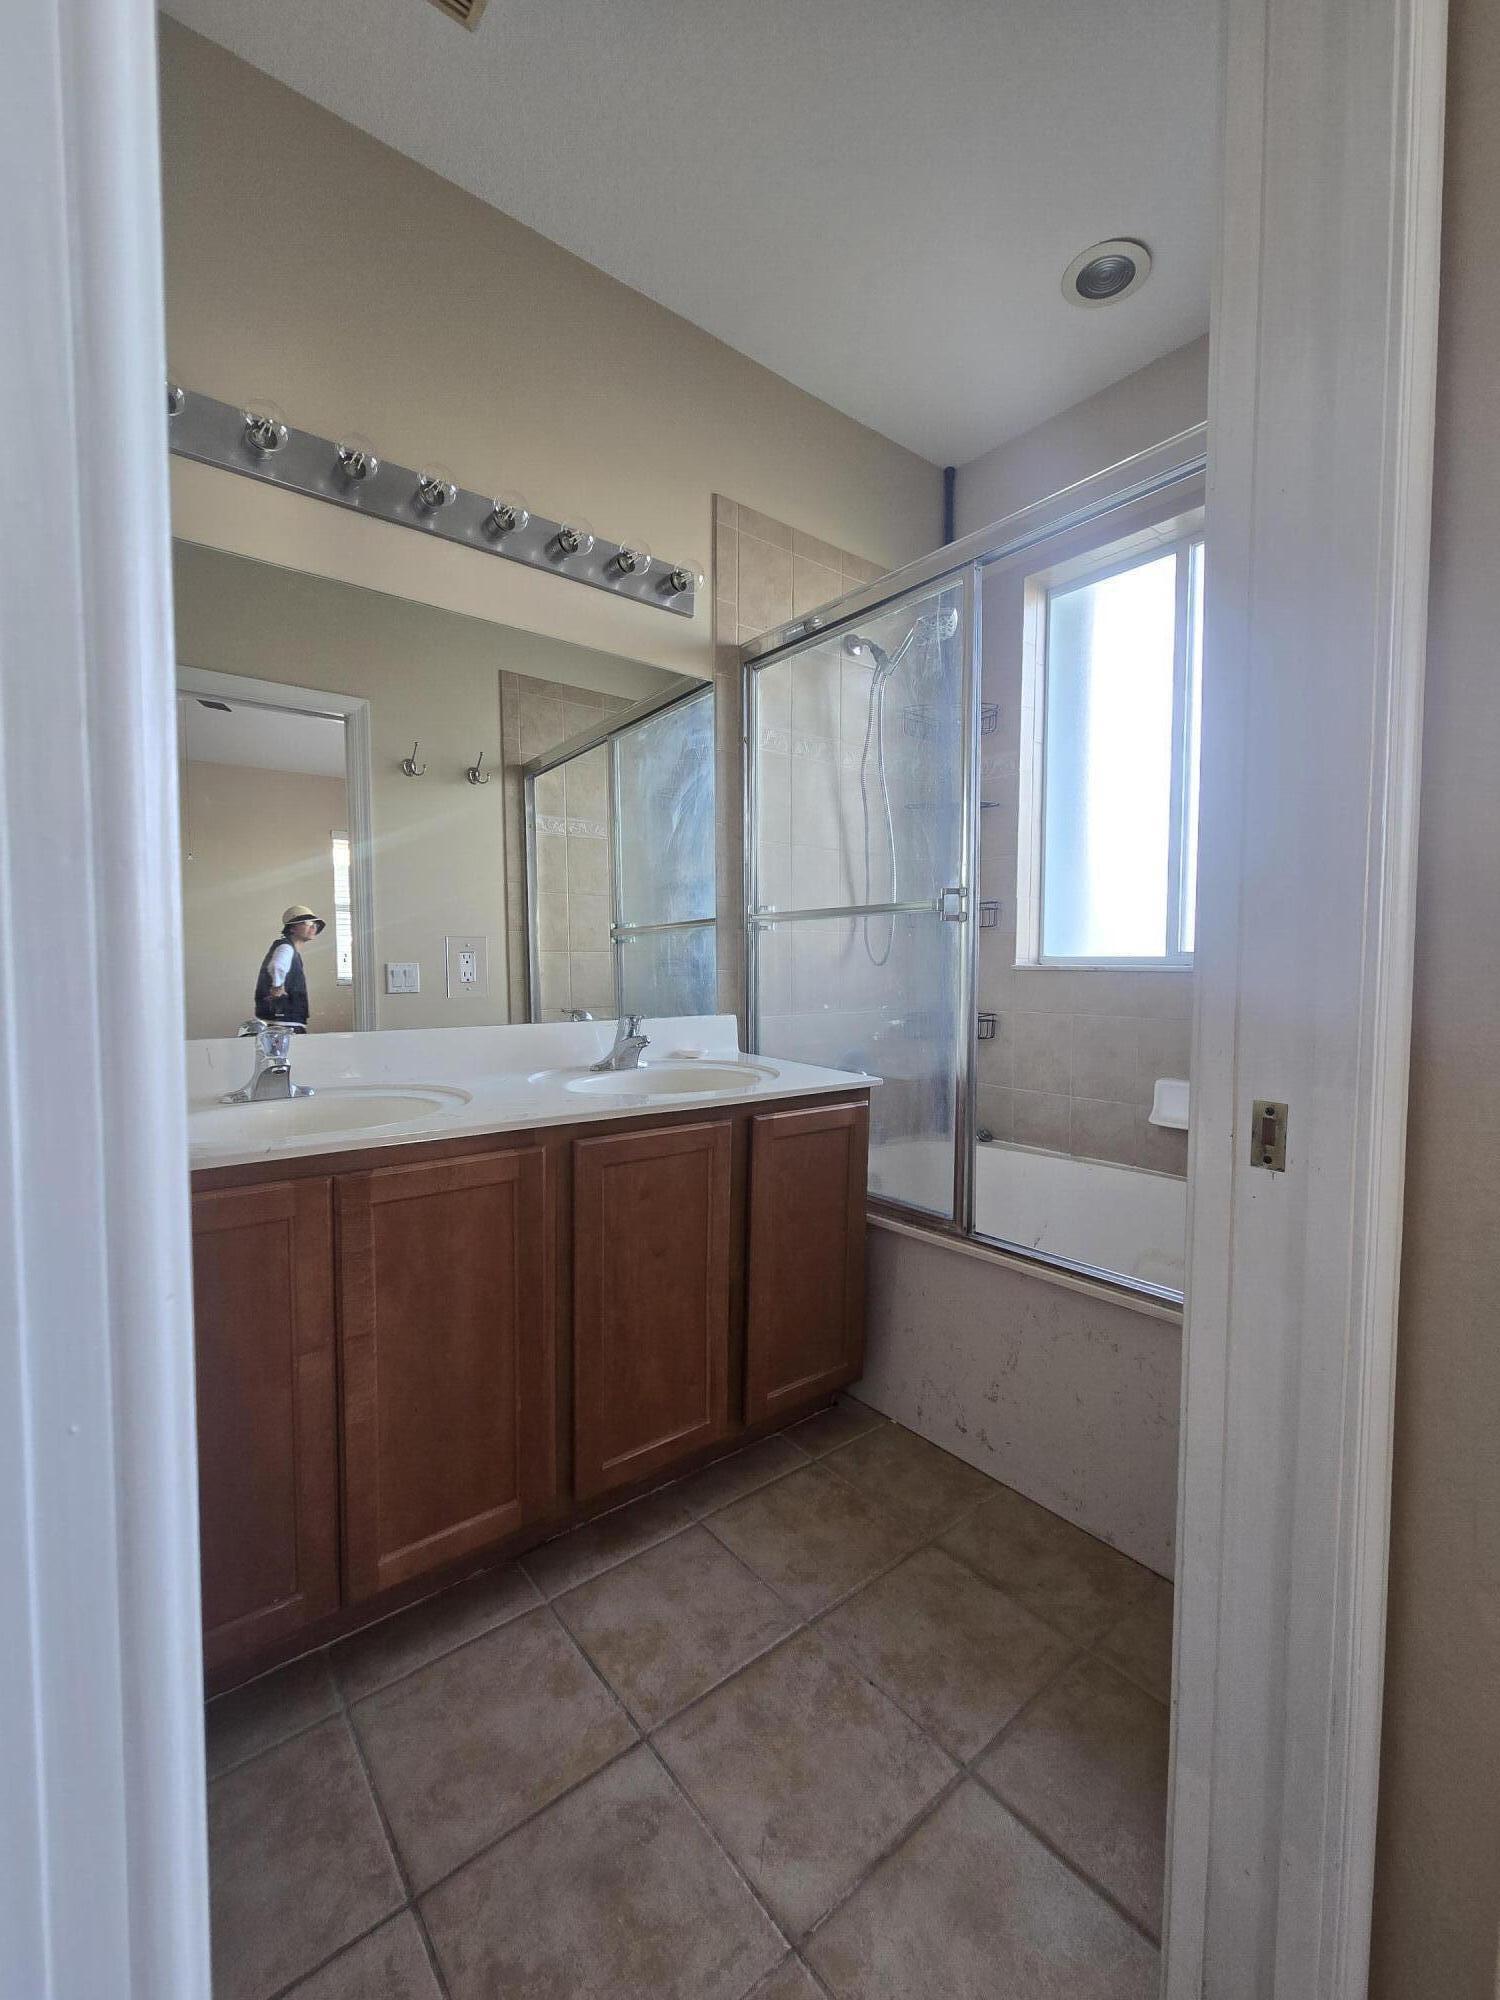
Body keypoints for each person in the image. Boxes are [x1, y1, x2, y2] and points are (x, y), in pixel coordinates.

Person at [254, 905, 325, 1028]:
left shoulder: (287, 947)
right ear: (292, 928)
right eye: (308, 922)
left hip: (280, 1021)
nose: (313, 926)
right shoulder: (286, 947)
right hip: (285, 1023)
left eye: (315, 924)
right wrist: (277, 987)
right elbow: (277, 966)